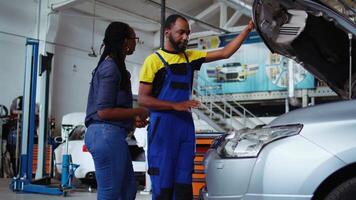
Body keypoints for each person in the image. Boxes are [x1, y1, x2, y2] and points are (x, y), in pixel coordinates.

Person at [138, 14, 254, 199]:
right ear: (167, 32)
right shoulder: (153, 61)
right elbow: (143, 99)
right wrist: (175, 105)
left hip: (185, 128)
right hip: (163, 130)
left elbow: (225, 53)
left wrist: (247, 29)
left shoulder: (190, 57)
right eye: (181, 32)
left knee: (184, 185)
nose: (185, 37)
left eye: (188, 33)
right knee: (163, 186)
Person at [84, 21, 148, 200]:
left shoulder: (115, 67)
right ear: (125, 42)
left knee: (127, 190)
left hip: (109, 133)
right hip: (105, 134)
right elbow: (104, 111)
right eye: (135, 38)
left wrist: (131, 120)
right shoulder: (111, 67)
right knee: (111, 193)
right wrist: (138, 112)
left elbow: (113, 107)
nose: (136, 42)